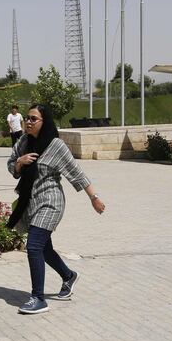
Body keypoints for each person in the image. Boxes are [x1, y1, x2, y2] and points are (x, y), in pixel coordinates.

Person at [7, 104, 106, 314]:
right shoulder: (23, 142)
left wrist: (94, 198)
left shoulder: (56, 145)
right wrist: (19, 163)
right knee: (44, 248)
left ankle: (38, 298)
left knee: (33, 246)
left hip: (51, 202)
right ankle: (69, 276)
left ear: (45, 122)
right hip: (31, 202)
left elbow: (76, 173)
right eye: (27, 118)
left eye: (34, 119)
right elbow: (11, 166)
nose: (29, 122)